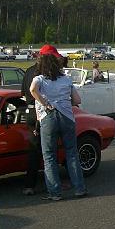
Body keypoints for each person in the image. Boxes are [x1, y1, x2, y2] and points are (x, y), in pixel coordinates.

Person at [30, 45, 87, 201]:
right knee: (72, 153)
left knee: (49, 156)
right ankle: (79, 188)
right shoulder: (66, 79)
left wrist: (45, 103)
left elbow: (33, 89)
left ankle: (55, 192)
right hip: (67, 117)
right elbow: (77, 100)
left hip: (48, 117)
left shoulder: (39, 79)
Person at [20, 57, 41, 195]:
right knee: (45, 149)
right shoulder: (42, 73)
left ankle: (29, 185)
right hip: (40, 112)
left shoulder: (28, 71)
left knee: (34, 149)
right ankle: (52, 183)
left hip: (28, 112)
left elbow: (22, 93)